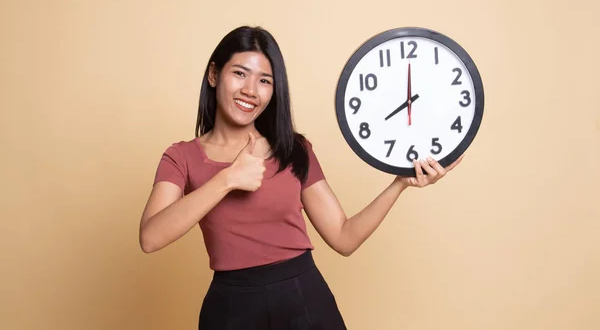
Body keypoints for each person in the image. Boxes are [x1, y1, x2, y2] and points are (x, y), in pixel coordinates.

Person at [138, 26, 463, 329]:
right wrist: (227, 180)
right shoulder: (181, 157)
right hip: (230, 306)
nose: (250, 90)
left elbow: (343, 237)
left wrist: (400, 183)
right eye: (239, 73)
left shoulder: (294, 150)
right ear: (213, 74)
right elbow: (151, 238)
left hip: (304, 299)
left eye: (265, 80)